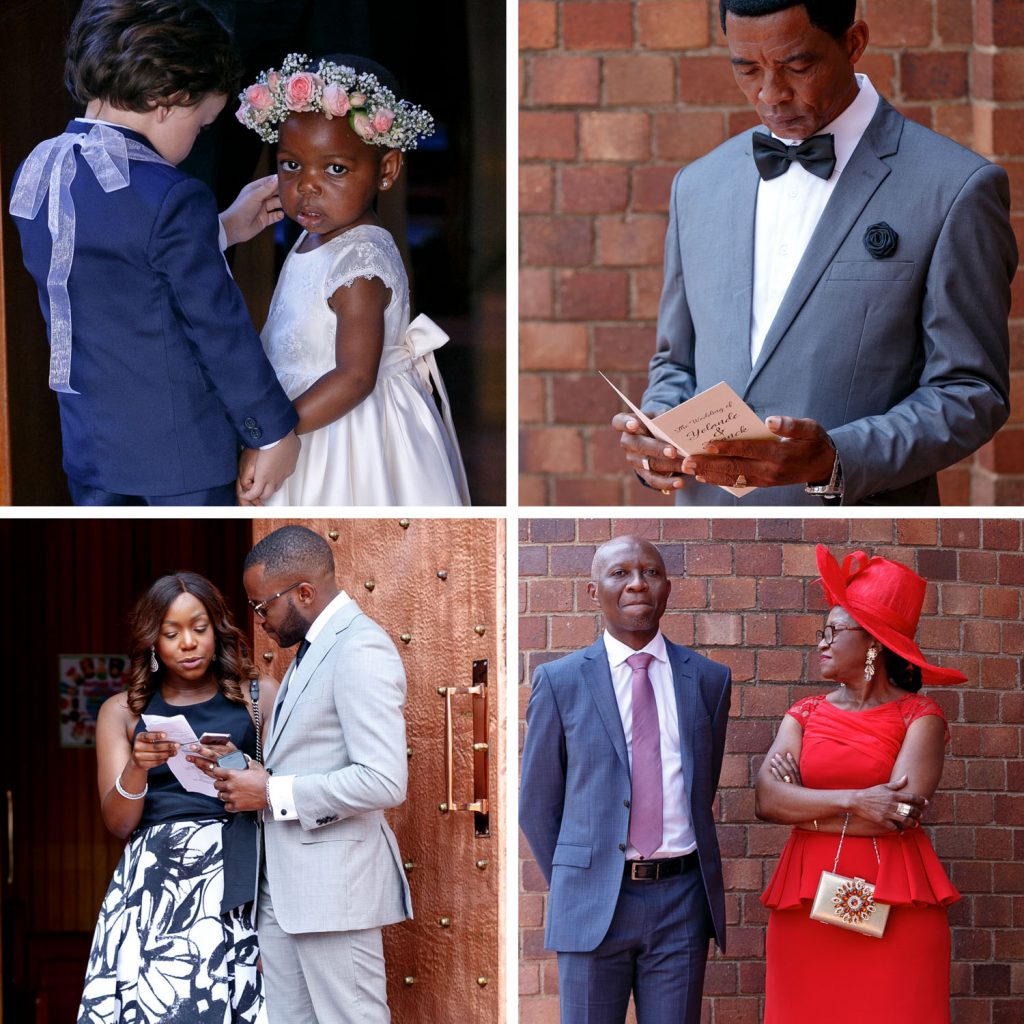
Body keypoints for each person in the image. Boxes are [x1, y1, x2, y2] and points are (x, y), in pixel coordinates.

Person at [613, 0, 1016, 506]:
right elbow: (676, 362)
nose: (770, 93)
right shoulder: (697, 185)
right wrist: (656, 434)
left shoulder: (955, 188)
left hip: (854, 521)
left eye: (797, 67)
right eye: (747, 69)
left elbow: (971, 392)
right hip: (703, 514)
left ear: (853, 43)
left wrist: (835, 458)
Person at [9, 0, 300, 506]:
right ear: (168, 99)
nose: (197, 136)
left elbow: (119, 268)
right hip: (183, 458)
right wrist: (271, 433)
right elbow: (217, 329)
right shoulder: (173, 195)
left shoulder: (37, 171)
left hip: (90, 453)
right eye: (202, 123)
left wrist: (223, 229)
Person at [234, 53, 470, 506]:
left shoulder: (360, 259)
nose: (307, 186)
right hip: (306, 418)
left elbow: (355, 377)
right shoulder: (313, 235)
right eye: (290, 165)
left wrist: (272, 434)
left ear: (386, 170)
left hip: (344, 433)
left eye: (335, 169)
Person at [519, 535, 732, 1024]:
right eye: (620, 573)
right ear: (593, 591)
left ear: (667, 588)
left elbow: (702, 785)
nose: (637, 583)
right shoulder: (560, 680)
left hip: (681, 901)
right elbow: (537, 804)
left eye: (650, 573)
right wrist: (582, 882)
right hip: (595, 901)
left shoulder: (708, 679)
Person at [210, 525, 412, 1023]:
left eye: (263, 607)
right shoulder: (307, 652)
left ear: (304, 592)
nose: (258, 622)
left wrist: (273, 791)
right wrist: (252, 774)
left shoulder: (360, 648)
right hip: (284, 887)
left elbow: (384, 779)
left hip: (334, 891)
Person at [756, 545, 965, 1022]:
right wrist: (856, 798)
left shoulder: (920, 716)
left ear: (873, 643)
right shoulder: (804, 713)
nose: (821, 643)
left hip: (896, 903)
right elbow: (767, 800)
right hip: (806, 901)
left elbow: (894, 817)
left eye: (835, 631)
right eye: (822, 632)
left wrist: (805, 803)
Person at [78, 572, 278, 1023]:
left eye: (199, 629)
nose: (188, 643)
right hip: (155, 885)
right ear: (152, 641)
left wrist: (236, 766)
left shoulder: (257, 697)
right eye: (171, 633)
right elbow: (118, 823)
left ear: (218, 630)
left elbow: (285, 789)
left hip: (241, 869)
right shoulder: (121, 713)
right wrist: (138, 765)